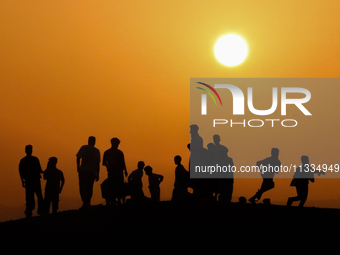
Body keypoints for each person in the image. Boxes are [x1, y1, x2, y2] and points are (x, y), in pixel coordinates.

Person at [19, 145, 44, 217]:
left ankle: (30, 211)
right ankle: (35, 211)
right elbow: (39, 170)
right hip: (33, 181)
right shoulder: (34, 159)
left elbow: (21, 171)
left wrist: (22, 181)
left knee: (32, 197)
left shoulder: (24, 160)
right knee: (37, 196)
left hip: (30, 181)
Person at [76, 136, 100, 209]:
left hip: (83, 170)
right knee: (89, 187)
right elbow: (97, 163)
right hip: (91, 171)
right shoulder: (96, 151)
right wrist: (97, 174)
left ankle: (85, 202)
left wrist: (78, 166)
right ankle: (87, 202)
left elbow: (78, 157)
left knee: (82, 187)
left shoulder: (84, 148)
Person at [103, 137, 127, 205]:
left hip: (117, 172)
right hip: (114, 172)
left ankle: (117, 199)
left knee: (118, 185)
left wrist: (125, 170)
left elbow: (123, 162)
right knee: (114, 185)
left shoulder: (115, 152)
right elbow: (104, 163)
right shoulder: (109, 152)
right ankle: (114, 199)